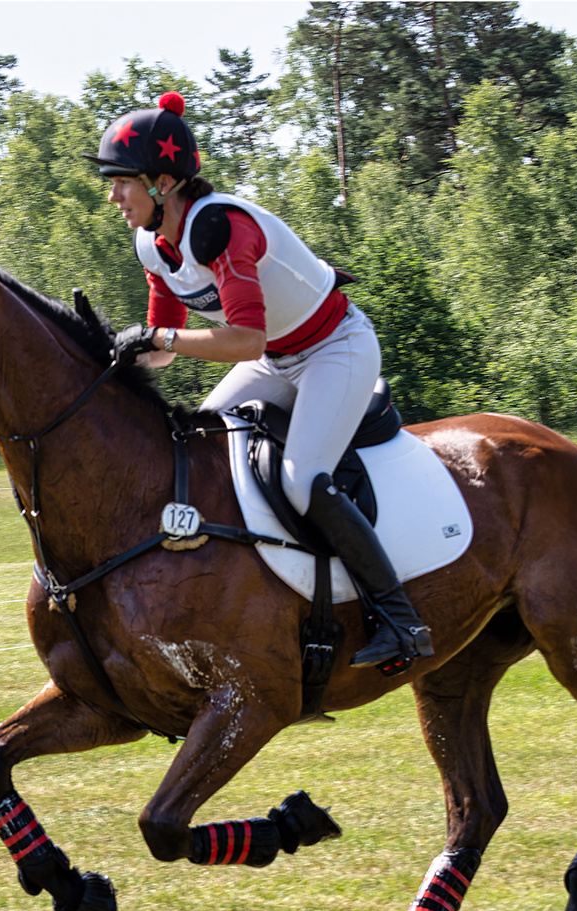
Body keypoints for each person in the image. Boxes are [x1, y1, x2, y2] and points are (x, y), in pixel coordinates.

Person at [83, 91, 432, 674]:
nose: (113, 195)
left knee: (302, 479)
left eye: (121, 181)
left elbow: (242, 341)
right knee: (197, 447)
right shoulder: (152, 240)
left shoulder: (219, 228)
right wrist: (116, 354)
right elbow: (164, 346)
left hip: (334, 348)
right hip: (277, 356)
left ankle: (401, 620)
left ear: (163, 181)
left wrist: (157, 340)